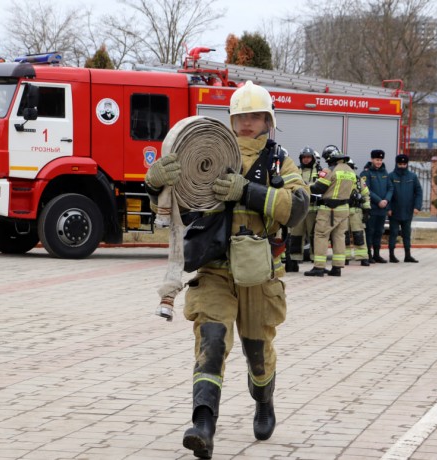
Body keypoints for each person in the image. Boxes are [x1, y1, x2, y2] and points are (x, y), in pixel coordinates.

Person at [145, 81, 309, 459]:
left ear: (268, 119)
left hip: (259, 273)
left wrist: (248, 191)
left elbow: (298, 208)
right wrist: (155, 184)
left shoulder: (278, 161)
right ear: (231, 120)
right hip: (214, 269)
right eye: (240, 116)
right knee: (211, 342)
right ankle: (203, 425)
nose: (247, 123)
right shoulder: (208, 152)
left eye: (254, 116)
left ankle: (263, 399)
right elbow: (179, 198)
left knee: (258, 351)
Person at [304, 145, 357, 277]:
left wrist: (306, 186)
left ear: (329, 158)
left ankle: (319, 267)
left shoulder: (331, 170)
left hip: (329, 209)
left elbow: (318, 188)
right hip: (344, 209)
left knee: (321, 235)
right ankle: (337, 267)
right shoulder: (350, 171)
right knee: (339, 237)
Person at [286, 146, 321, 272]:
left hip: (313, 209)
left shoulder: (319, 171)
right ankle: (294, 261)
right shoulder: (295, 170)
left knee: (313, 235)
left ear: (313, 158)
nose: (306, 160)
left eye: (308, 157)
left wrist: (307, 188)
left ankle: (315, 261)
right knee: (296, 235)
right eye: (304, 157)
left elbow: (322, 187)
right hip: (298, 209)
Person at [387, 154, 422, 263]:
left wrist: (417, 206)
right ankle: (391, 255)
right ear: (396, 164)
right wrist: (388, 208)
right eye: (400, 164)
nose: (402, 166)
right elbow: (387, 193)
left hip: (408, 210)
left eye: (404, 164)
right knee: (393, 233)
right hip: (394, 211)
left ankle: (408, 255)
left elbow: (419, 192)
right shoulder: (391, 176)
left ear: (407, 164)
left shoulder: (412, 177)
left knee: (407, 233)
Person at [360, 149, 393, 263]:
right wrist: (379, 201)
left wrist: (386, 200)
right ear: (372, 159)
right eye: (376, 159)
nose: (379, 162)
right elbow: (366, 189)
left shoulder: (385, 173)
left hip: (382, 209)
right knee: (370, 231)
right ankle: (368, 255)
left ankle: (377, 254)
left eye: (380, 160)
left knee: (379, 231)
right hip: (372, 208)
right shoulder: (366, 173)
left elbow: (390, 188)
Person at [344, 159, 371, 266]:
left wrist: (367, 210)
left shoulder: (359, 181)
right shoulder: (340, 180)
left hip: (356, 211)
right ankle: (344, 257)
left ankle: (363, 257)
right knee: (343, 236)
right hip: (343, 211)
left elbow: (366, 195)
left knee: (359, 234)